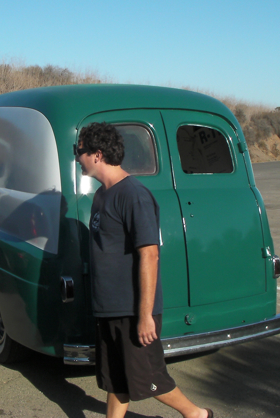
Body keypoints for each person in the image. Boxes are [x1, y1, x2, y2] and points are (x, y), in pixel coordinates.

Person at [76, 122, 214, 418]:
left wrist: (145, 316)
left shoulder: (134, 195)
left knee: (150, 379)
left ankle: (196, 415)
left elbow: (149, 256)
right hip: (109, 308)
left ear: (97, 154)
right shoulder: (102, 195)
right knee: (116, 379)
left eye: (80, 151)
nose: (77, 157)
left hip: (132, 309)